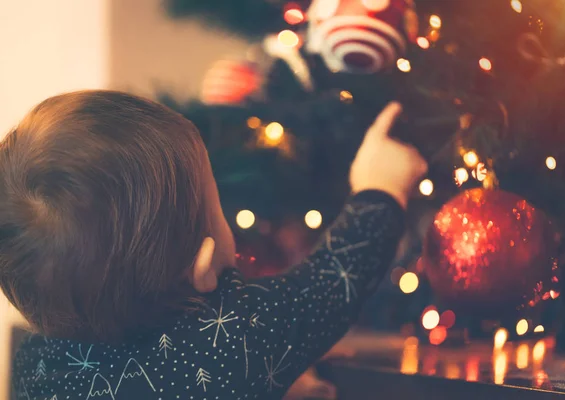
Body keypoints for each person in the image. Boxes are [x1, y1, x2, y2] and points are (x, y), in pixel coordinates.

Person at [0, 91, 427, 399]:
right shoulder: (236, 337)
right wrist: (382, 188)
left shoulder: (34, 362)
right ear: (202, 266)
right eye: (216, 198)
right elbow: (334, 279)